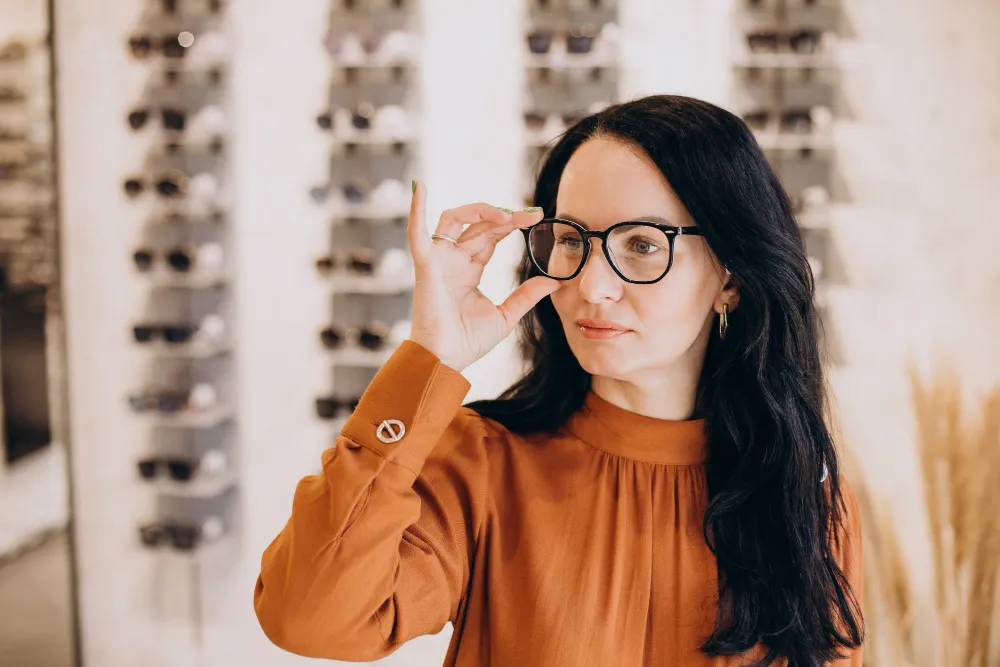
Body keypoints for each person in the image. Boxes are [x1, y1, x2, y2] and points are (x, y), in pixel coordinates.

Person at [254, 94, 864, 666]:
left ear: (730, 276)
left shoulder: (802, 497)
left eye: (643, 245)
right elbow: (310, 618)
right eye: (572, 240)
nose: (590, 286)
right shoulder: (482, 464)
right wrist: (426, 361)